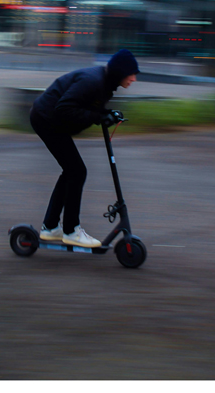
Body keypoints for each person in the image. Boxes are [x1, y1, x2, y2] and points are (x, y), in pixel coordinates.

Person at [29, 49, 140, 248]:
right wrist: (99, 117)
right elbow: (64, 108)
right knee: (77, 171)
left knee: (73, 171)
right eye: (131, 73)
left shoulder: (105, 83)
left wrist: (107, 114)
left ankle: (51, 227)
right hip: (46, 119)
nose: (133, 78)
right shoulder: (93, 81)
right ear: (120, 72)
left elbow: (87, 106)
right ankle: (71, 231)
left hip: (51, 120)